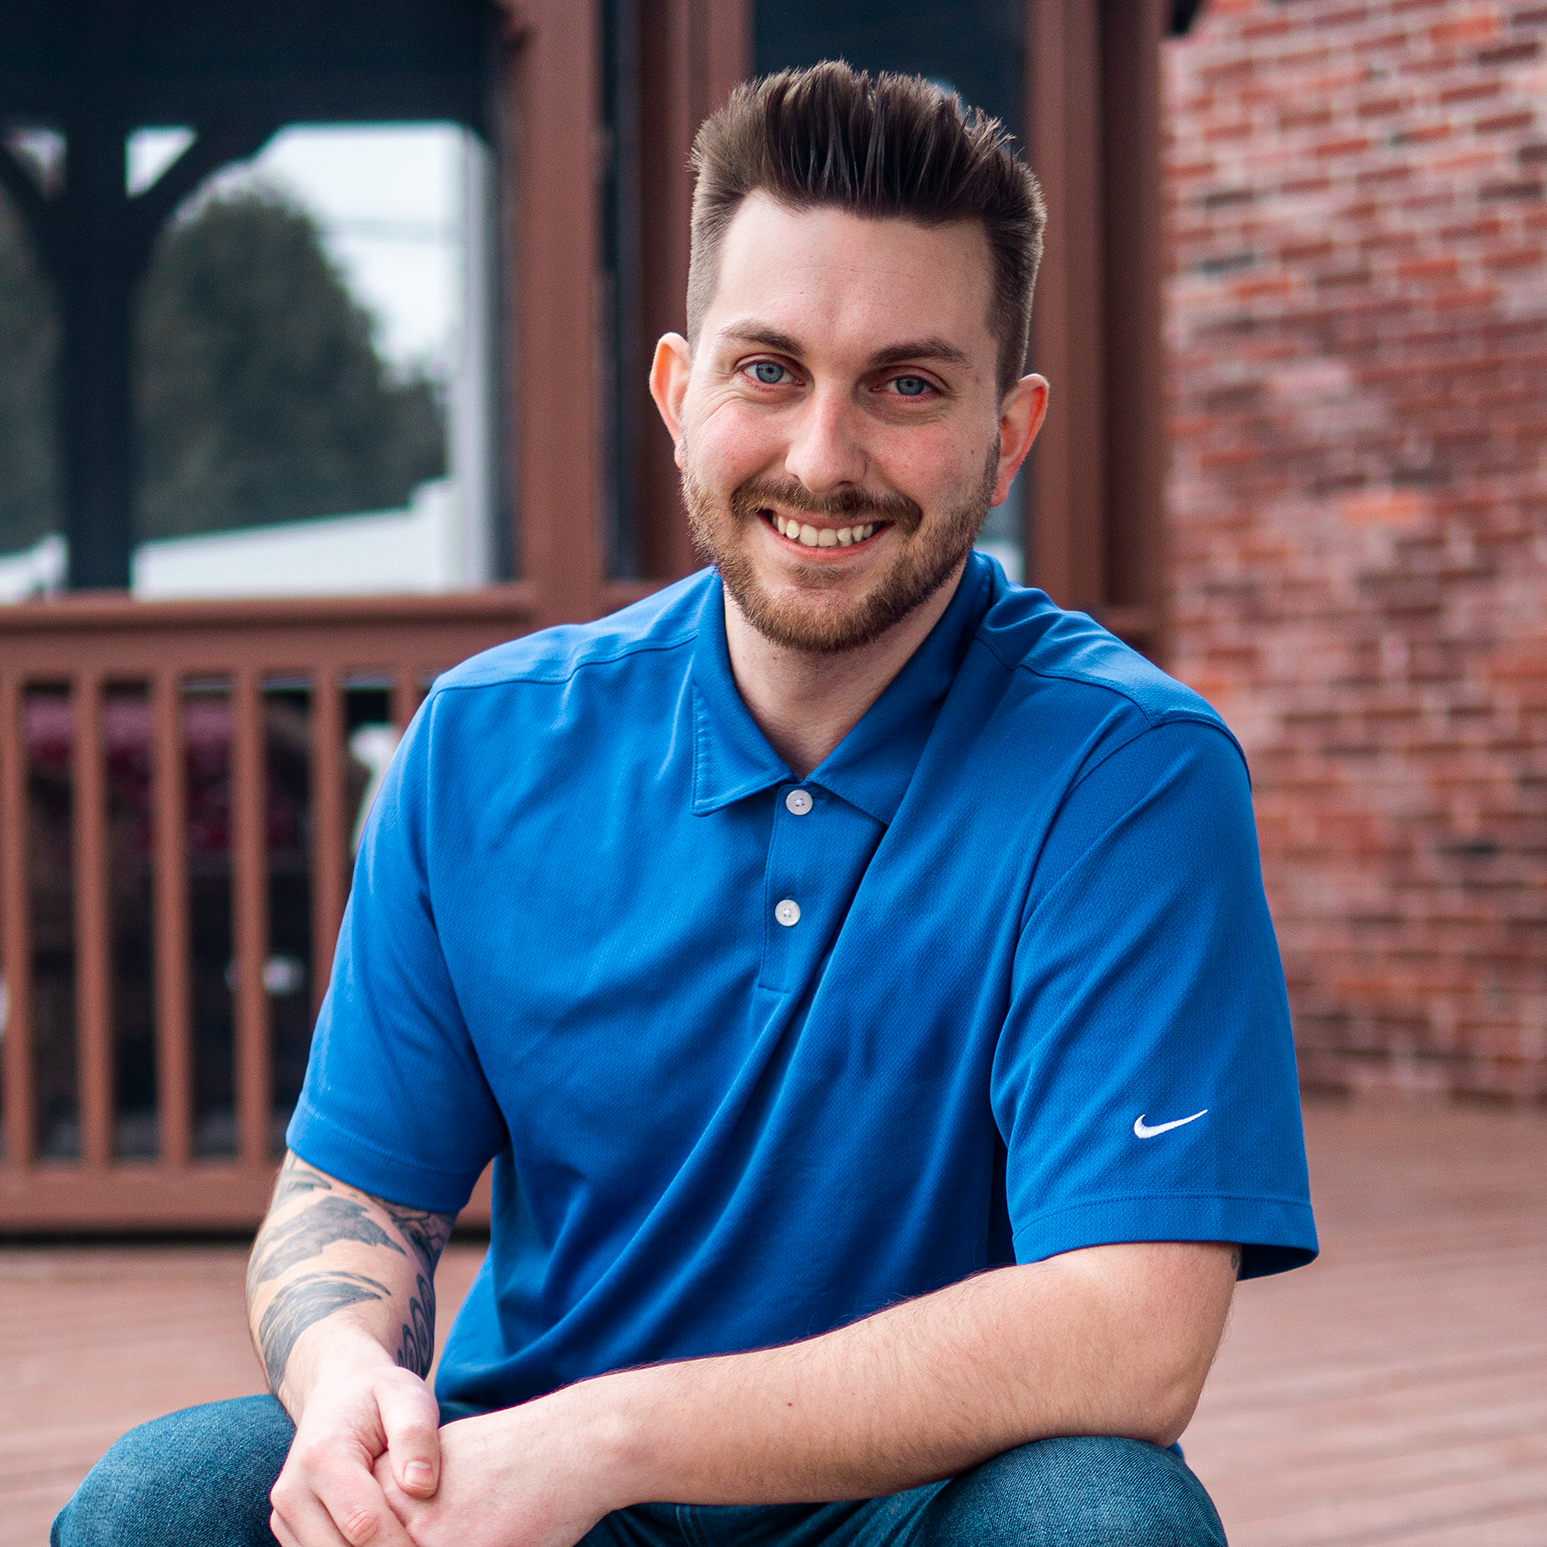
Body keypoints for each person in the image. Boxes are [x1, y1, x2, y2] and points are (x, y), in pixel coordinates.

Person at [55, 63, 1316, 1547]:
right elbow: (353, 1198)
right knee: (170, 1498)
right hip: (527, 1510)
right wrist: (343, 1380)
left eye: (906, 384)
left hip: (910, 1514)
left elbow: (1132, 1331)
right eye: (767, 368)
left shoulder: (1127, 770)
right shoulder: (484, 743)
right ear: (676, 391)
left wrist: (606, 1435)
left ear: (1009, 430)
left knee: (1104, 1518)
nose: (821, 457)